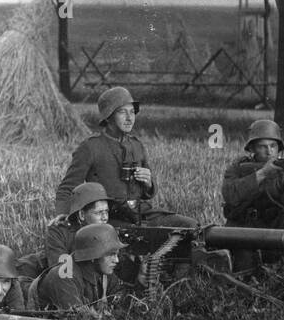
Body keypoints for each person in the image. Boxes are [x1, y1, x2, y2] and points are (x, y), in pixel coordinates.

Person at [54, 87, 196, 228]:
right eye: (122, 112)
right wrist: (63, 216)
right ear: (108, 117)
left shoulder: (137, 145)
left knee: (190, 225)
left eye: (132, 112)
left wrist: (148, 183)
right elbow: (67, 188)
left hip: (142, 213)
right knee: (139, 236)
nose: (129, 118)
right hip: (111, 217)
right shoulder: (90, 147)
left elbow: (148, 194)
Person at [222, 119, 284, 279]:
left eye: (273, 146)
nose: (269, 152)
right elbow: (231, 195)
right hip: (245, 230)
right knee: (245, 278)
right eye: (263, 146)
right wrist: (262, 174)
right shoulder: (238, 168)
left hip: (276, 229)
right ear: (252, 149)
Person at [31, 224, 129, 320]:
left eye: (117, 254)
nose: (116, 260)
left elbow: (122, 303)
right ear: (93, 256)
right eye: (111, 254)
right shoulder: (65, 276)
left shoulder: (101, 270)